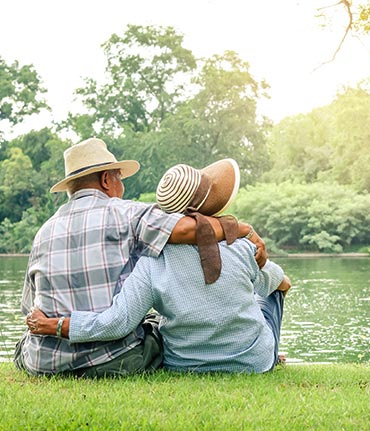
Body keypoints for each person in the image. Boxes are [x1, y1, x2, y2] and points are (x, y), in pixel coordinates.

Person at [15, 138, 266, 377]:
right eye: (119, 178)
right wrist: (241, 229)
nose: (121, 187)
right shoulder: (127, 213)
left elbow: (29, 309)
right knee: (153, 323)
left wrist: (54, 327)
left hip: (45, 361)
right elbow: (188, 229)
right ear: (105, 179)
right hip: (112, 358)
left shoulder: (44, 231)